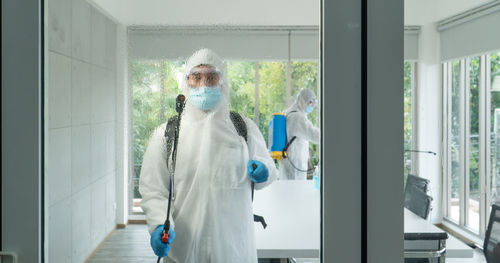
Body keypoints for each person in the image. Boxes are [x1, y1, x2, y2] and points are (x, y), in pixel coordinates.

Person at [139, 48, 277, 263]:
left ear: (222, 83)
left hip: (234, 247)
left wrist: (264, 171)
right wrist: (158, 224)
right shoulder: (168, 134)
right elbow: (153, 189)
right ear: (186, 83)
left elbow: (268, 167)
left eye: (212, 77)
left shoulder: (243, 129)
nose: (204, 85)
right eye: (196, 77)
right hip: (184, 248)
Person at [279, 89, 320, 180]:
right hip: (294, 165)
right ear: (302, 101)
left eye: (313, 103)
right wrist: (330, 135)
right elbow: (314, 135)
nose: (312, 106)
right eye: (310, 102)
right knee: (294, 192)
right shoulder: (297, 117)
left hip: (289, 163)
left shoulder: (288, 112)